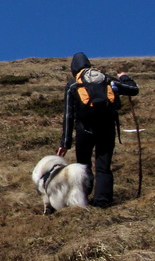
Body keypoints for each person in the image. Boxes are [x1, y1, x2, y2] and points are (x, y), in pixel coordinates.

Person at [57, 52, 139, 208]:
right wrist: (124, 77)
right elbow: (133, 89)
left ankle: (83, 199)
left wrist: (65, 143)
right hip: (107, 128)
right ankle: (103, 201)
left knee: (83, 166)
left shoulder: (73, 85)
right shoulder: (106, 79)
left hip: (84, 130)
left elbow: (68, 116)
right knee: (103, 165)